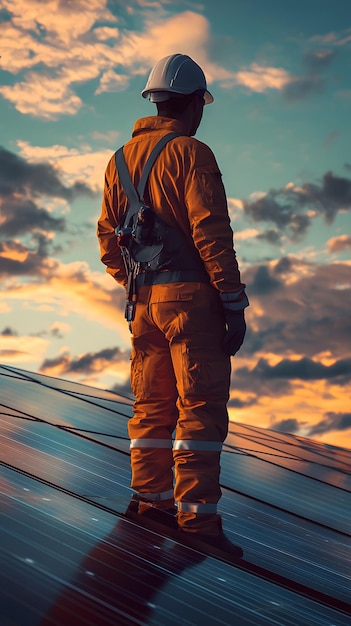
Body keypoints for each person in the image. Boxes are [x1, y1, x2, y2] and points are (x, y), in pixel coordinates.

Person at [97, 53, 249, 559]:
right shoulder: (192, 153)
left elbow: (106, 242)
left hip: (143, 304)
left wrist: (138, 283)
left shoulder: (118, 162)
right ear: (191, 104)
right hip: (191, 305)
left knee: (151, 406)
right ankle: (198, 524)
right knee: (200, 411)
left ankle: (150, 504)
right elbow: (212, 234)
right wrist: (232, 302)